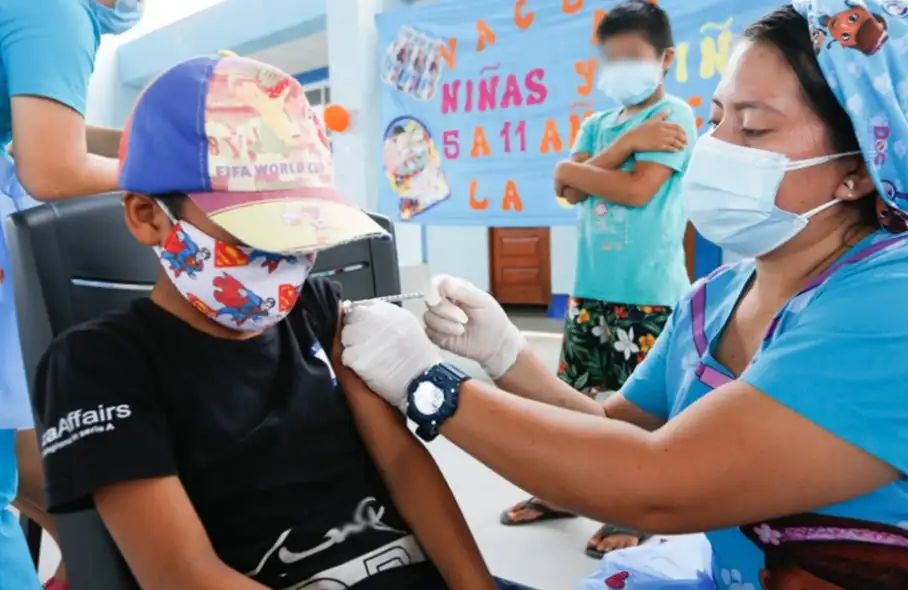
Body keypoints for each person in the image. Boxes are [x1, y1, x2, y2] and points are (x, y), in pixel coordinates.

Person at [340, 1, 908, 587]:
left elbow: (655, 486)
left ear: (859, 166)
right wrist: (505, 353)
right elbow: (612, 432)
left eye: (752, 127)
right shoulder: (717, 297)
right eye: (716, 117)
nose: (714, 147)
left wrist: (427, 382)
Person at [31, 54, 529, 590]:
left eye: (300, 237)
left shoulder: (315, 310)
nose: (282, 264)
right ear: (149, 216)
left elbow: (404, 467)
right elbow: (182, 574)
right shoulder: (98, 364)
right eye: (253, 237)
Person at [503, 0, 695, 558]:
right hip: (589, 292)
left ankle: (630, 510)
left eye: (632, 57)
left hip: (649, 297)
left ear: (665, 59)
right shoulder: (600, 123)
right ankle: (563, 491)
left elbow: (634, 191)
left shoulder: (673, 118)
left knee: (638, 415)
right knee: (575, 404)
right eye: (610, 59)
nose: (620, 69)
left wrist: (582, 169)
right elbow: (567, 187)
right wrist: (625, 147)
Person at [0, 1, 143, 587]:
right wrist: (186, 174)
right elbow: (52, 168)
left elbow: (44, 131)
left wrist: (151, 140)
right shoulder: (56, 9)